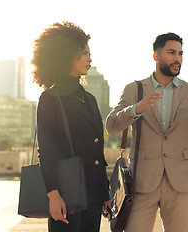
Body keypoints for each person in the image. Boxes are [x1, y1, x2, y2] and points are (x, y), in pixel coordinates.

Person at [105, 32, 188, 232]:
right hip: (142, 180)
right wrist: (136, 109)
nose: (177, 58)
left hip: (180, 181)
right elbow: (111, 126)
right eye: (171, 52)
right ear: (156, 56)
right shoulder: (135, 89)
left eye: (180, 53)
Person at [32, 21, 110, 232]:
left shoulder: (90, 99)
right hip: (66, 195)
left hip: (93, 194)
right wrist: (53, 195)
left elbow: (97, 151)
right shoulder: (50, 98)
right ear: (67, 54)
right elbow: (46, 151)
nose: (89, 58)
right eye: (84, 53)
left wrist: (104, 193)